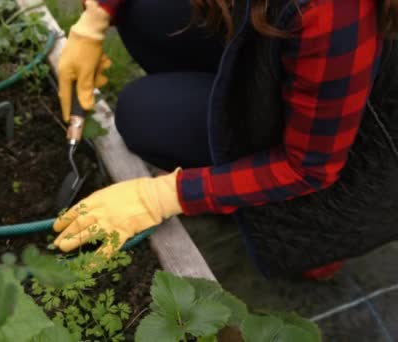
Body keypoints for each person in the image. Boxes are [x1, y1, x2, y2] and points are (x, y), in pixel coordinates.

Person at [52, 0, 398, 280]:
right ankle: (225, 116)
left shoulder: (336, 12)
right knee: (143, 12)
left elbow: (309, 168)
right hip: (275, 36)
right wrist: (96, 17)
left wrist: (165, 195)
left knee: (141, 115)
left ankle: (318, 243)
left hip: (346, 140)